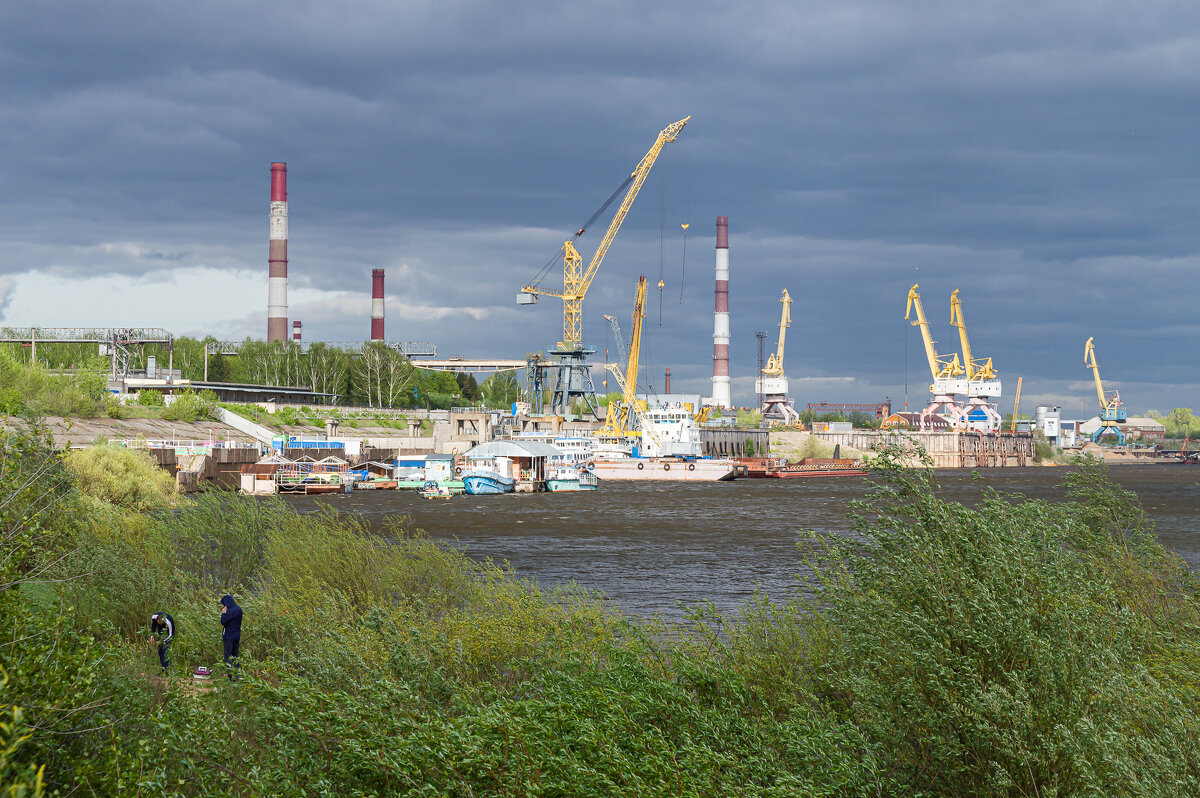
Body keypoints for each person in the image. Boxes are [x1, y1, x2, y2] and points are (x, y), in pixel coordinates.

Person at [219, 594, 243, 680]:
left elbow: (223, 621)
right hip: (237, 635)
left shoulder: (229, 611)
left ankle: (229, 677)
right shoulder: (239, 609)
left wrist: (223, 613)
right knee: (235, 656)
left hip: (228, 636)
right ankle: (238, 676)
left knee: (228, 657)